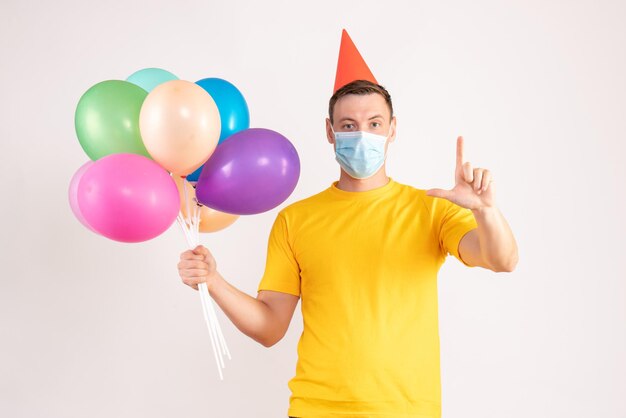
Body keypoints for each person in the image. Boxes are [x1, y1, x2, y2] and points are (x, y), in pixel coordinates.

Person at [178, 78, 519, 418]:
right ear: (330, 131)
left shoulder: (431, 209)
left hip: (407, 410)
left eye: (374, 124)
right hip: (317, 409)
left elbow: (502, 260)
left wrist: (485, 210)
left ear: (392, 128)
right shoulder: (295, 220)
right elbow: (269, 328)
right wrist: (214, 281)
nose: (362, 135)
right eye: (348, 125)